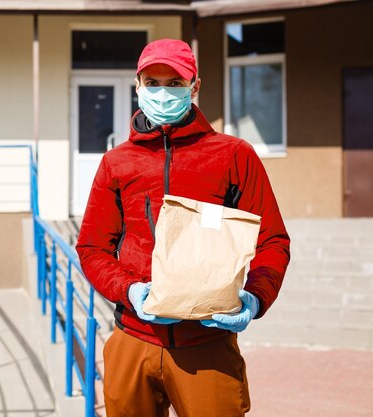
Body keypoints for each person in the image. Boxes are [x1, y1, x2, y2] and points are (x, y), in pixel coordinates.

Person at [75, 39, 290, 417]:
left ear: (195, 87)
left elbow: (272, 240)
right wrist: (129, 291)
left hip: (207, 344)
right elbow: (92, 248)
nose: (163, 92)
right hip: (133, 338)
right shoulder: (116, 163)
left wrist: (255, 298)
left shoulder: (233, 155)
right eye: (153, 82)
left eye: (174, 83)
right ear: (137, 86)